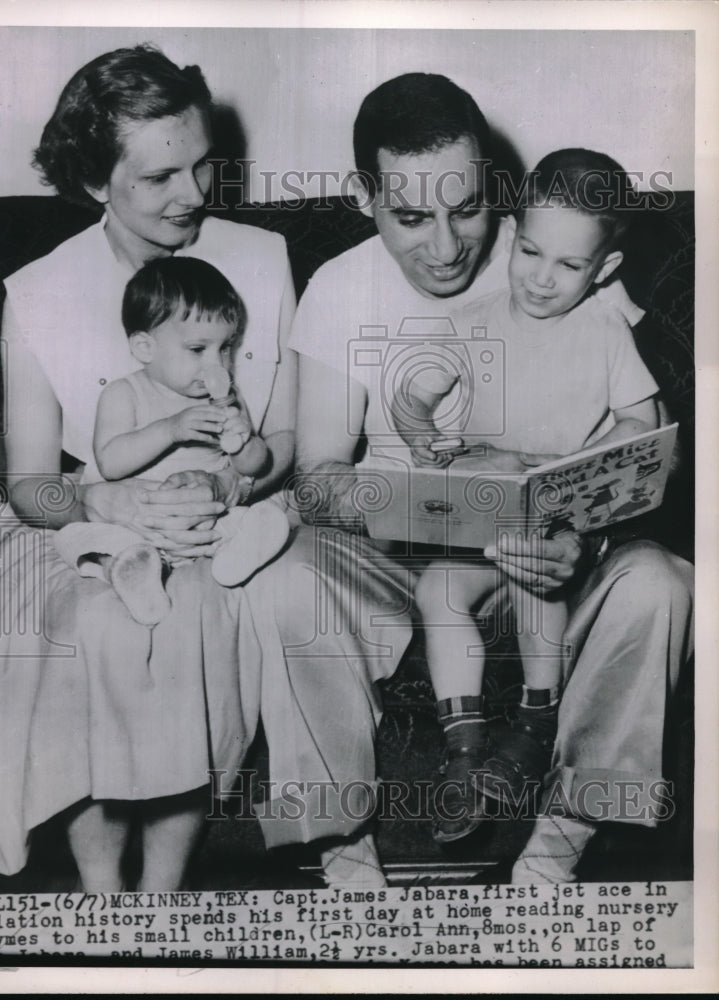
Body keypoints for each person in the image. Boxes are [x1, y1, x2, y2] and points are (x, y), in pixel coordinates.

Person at [288, 73, 693, 883]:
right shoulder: (337, 289)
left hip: (553, 542)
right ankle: (341, 848)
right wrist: (436, 501)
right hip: (406, 547)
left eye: (467, 208)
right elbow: (316, 484)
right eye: (409, 217)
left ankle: (561, 842)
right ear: (363, 198)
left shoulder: (550, 245)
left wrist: (581, 527)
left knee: (661, 586)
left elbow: (644, 442)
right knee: (285, 582)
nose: (447, 247)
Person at [0, 44, 296, 891]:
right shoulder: (38, 292)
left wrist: (220, 486)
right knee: (96, 626)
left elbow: (283, 441)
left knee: (185, 621)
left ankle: (164, 896)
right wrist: (101, 497)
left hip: (213, 516)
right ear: (94, 182)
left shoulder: (260, 258)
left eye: (202, 165)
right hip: (81, 521)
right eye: (158, 178)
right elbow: (31, 483)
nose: (192, 195)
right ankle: (103, 899)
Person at [389, 149, 660, 842]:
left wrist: (595, 459)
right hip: (486, 515)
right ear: (511, 232)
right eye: (530, 251)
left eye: (568, 266)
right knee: (437, 593)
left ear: (603, 269)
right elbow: (411, 401)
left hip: (557, 523)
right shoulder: (471, 321)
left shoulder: (603, 329)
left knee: (535, 578)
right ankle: (464, 744)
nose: (541, 279)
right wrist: (418, 428)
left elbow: (641, 422)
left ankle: (537, 723)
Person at [54, 257, 290, 625]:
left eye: (225, 348)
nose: (218, 366)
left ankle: (234, 559)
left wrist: (243, 442)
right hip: (135, 522)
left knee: (251, 519)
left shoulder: (226, 397)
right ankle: (130, 571)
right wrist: (170, 430)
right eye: (198, 350)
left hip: (206, 518)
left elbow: (254, 467)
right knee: (75, 537)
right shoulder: (124, 393)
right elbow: (110, 463)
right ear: (145, 348)